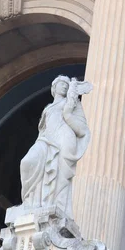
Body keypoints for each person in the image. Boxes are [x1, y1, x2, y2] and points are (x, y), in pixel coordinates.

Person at [20, 75, 92, 219]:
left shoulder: (73, 103)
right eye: (61, 83)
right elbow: (43, 129)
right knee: (27, 162)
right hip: (45, 140)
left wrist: (68, 113)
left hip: (64, 139)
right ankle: (32, 201)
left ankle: (55, 208)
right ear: (54, 88)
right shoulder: (48, 108)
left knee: (61, 175)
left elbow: (82, 130)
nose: (64, 86)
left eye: (67, 84)